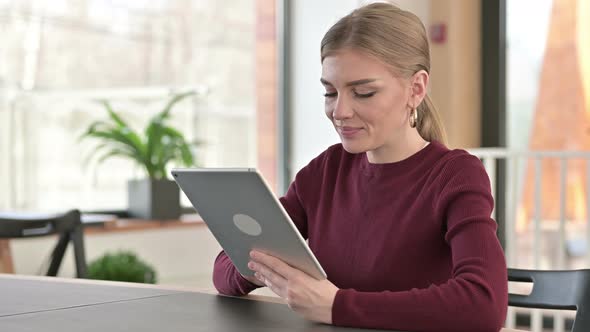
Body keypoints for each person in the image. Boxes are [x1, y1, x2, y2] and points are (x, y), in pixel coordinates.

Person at [213, 2, 508, 332]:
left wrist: (336, 305)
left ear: (416, 88)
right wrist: (260, 266)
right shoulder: (324, 172)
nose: (340, 111)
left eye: (363, 93)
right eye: (330, 92)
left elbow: (484, 305)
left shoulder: (455, 176)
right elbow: (223, 270)